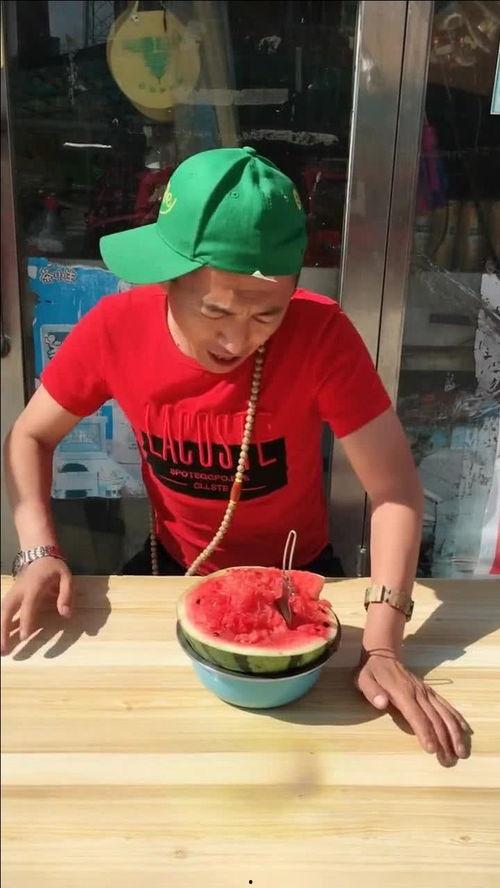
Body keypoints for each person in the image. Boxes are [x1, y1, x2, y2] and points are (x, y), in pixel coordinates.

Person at [2, 146, 472, 765]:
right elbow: (30, 435)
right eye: (216, 310)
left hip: (301, 575)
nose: (236, 339)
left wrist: (383, 644)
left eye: (266, 314)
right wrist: (38, 550)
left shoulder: (321, 335)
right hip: (168, 564)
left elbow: (394, 492)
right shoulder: (116, 328)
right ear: (167, 278)